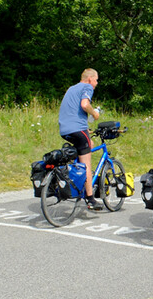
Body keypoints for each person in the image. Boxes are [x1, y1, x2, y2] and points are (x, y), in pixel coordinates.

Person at [59, 68, 102, 210]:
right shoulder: (87, 87)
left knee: (88, 143)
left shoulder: (71, 88)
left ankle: (75, 179)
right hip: (77, 128)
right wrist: (94, 113)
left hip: (65, 129)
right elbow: (84, 105)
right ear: (90, 79)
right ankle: (90, 198)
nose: (96, 83)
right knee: (87, 163)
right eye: (96, 80)